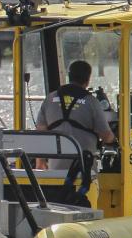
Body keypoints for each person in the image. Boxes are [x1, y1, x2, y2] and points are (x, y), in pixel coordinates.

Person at [34, 59, 116, 203]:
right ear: (88, 79)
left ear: (69, 76)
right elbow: (107, 136)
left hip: (55, 171)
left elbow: (41, 132)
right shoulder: (92, 102)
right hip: (83, 171)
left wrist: (40, 161)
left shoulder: (50, 98)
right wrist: (113, 141)